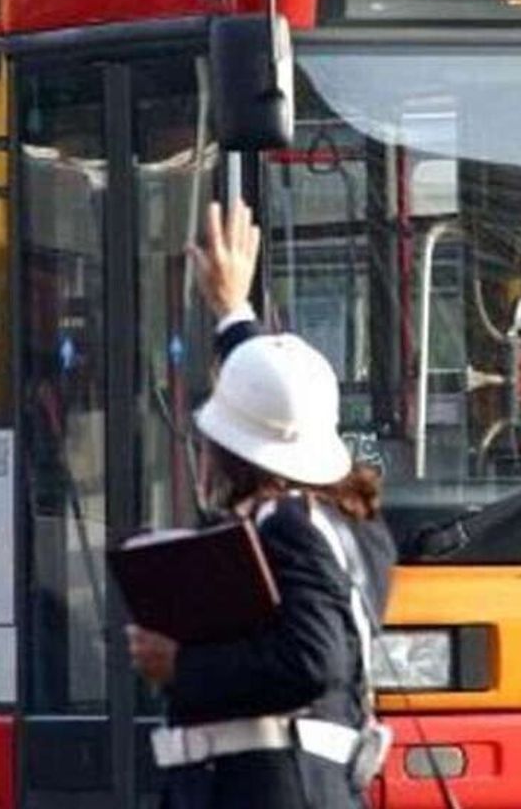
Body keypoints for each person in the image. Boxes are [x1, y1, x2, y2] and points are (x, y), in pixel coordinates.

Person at [126, 199, 396, 809]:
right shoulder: (356, 525)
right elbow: (280, 401)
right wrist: (233, 313)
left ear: (233, 452)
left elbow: (312, 657)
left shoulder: (285, 526)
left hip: (268, 790)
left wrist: (182, 665)